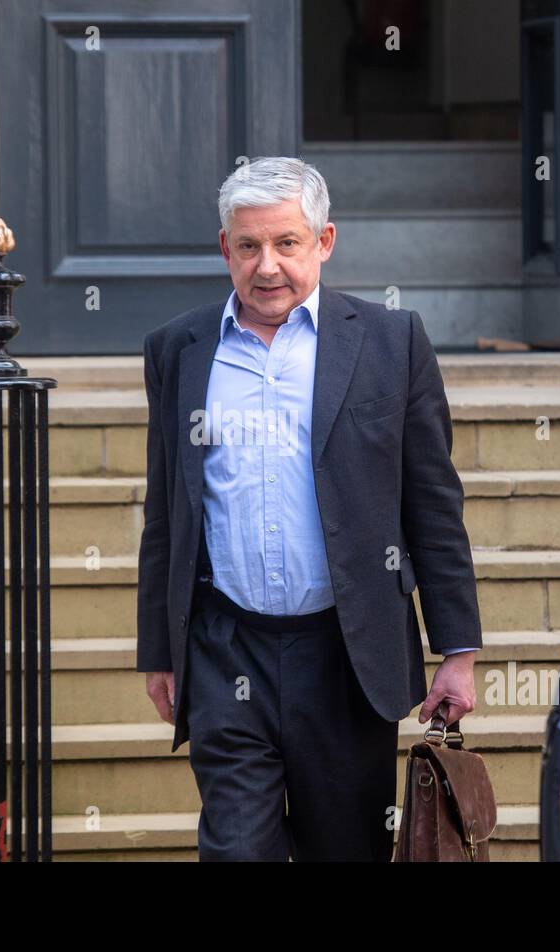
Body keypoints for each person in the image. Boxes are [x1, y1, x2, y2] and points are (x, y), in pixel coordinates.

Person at [136, 156, 482, 861]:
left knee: (346, 850)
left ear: (324, 242)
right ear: (224, 249)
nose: (268, 266)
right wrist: (158, 650)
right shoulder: (178, 349)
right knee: (236, 850)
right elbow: (167, 511)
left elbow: (434, 506)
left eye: (287, 243)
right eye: (249, 246)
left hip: (347, 654)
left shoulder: (392, 342)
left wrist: (459, 652)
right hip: (225, 648)